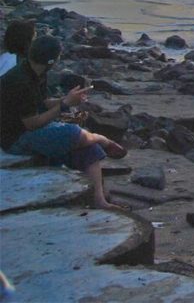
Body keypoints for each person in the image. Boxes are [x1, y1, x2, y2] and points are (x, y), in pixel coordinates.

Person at [0, 35, 128, 211]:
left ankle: (99, 200)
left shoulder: (36, 71)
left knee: (90, 149)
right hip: (16, 138)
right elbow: (31, 124)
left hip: (32, 129)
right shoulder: (20, 81)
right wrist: (64, 105)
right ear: (53, 60)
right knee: (74, 133)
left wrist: (68, 99)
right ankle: (101, 138)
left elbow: (43, 103)